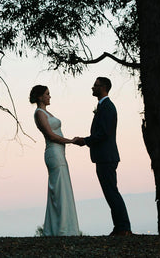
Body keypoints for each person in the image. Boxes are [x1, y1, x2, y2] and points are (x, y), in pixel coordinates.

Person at [76, 76, 132, 236]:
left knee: (112, 192)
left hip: (106, 157)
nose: (93, 88)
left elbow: (103, 134)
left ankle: (123, 227)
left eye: (96, 85)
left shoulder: (107, 107)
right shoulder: (103, 107)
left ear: (104, 87)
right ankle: (120, 227)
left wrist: (85, 141)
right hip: (104, 157)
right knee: (110, 192)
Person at [30, 84, 81, 236]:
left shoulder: (47, 112)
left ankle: (64, 227)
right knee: (57, 189)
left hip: (60, 152)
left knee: (63, 188)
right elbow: (50, 135)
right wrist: (71, 141)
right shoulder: (39, 113)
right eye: (47, 94)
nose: (49, 96)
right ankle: (61, 229)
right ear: (40, 97)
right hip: (53, 152)